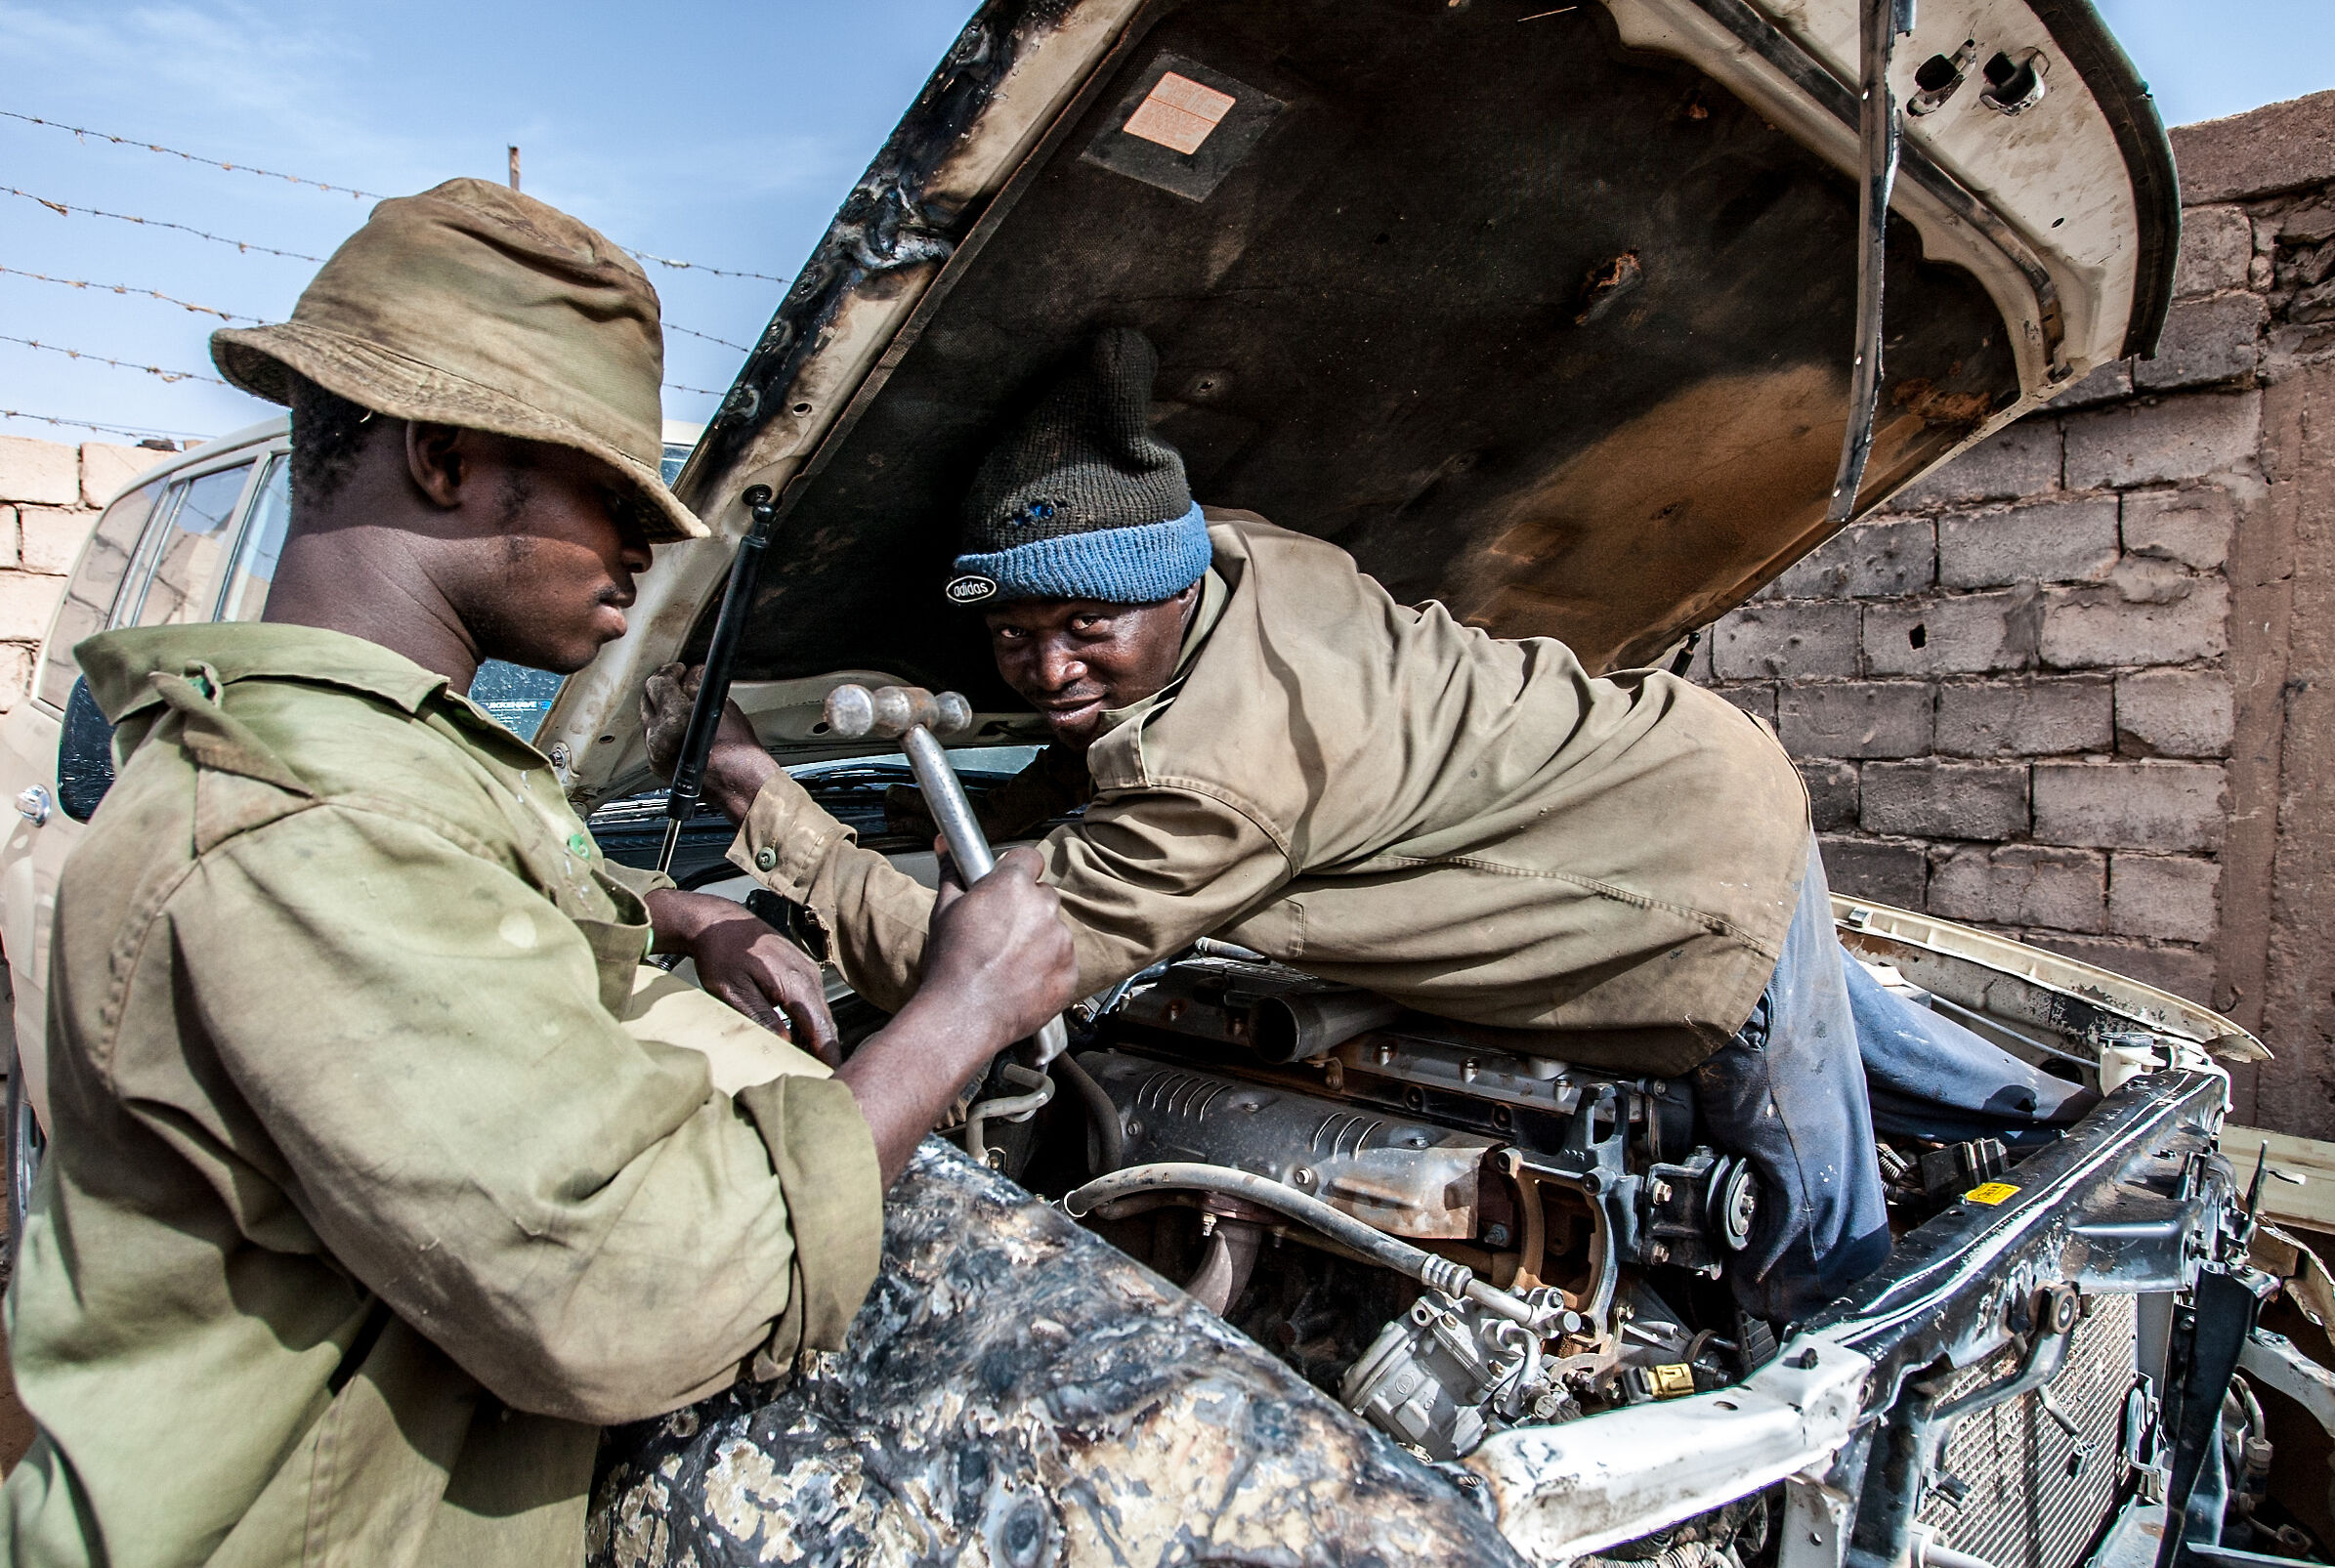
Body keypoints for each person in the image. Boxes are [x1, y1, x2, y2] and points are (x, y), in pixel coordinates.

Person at [0, 180, 1076, 1567]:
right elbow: (633, 1285)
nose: (649, 544)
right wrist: (956, 1014)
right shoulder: (300, 835)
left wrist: (673, 911)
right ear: (445, 455)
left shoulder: (384, 777)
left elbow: (466, 897)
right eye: (612, 495)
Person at [653, 327, 2099, 1331]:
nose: (1048, 670)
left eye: (1087, 625)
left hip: (1678, 888)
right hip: (1696, 774)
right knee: (1937, 1087)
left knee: (1822, 1289)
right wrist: (1008, 805)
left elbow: (967, 976)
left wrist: (762, 800)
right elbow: (1085, 760)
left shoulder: (1226, 782)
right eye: (1015, 636)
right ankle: (2070, 1131)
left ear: (1165, 586)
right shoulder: (1243, 551)